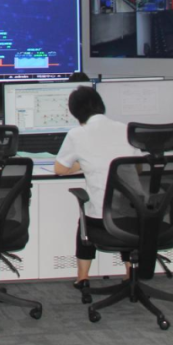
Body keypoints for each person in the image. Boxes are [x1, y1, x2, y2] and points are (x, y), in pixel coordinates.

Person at [53, 86, 136, 291]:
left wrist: (82, 164)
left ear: (75, 112)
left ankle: (82, 277)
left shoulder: (77, 134)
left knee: (85, 221)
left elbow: (60, 169)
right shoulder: (126, 129)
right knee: (125, 214)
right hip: (134, 212)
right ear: (101, 105)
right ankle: (130, 273)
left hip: (101, 218)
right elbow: (139, 166)